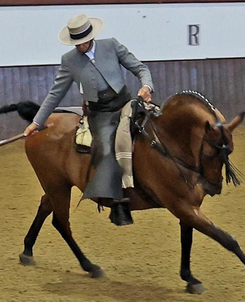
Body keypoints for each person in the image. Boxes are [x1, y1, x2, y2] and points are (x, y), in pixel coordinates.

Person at [26, 15, 154, 227]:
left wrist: (146, 86)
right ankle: (118, 201)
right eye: (77, 43)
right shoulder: (69, 61)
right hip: (100, 113)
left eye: (83, 41)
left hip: (124, 103)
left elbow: (140, 68)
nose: (81, 46)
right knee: (104, 147)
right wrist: (36, 122)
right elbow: (55, 94)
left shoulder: (111, 45)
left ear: (91, 37)